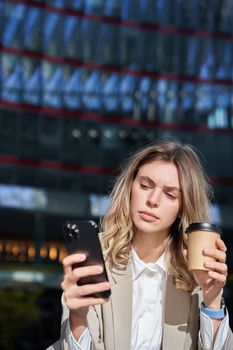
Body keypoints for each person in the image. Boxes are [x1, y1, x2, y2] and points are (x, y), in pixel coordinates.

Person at [48, 139, 233, 350]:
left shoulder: (195, 268)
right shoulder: (96, 256)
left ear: (183, 207)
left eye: (170, 194)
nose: (153, 200)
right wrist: (78, 317)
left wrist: (212, 301)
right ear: (130, 188)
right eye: (145, 185)